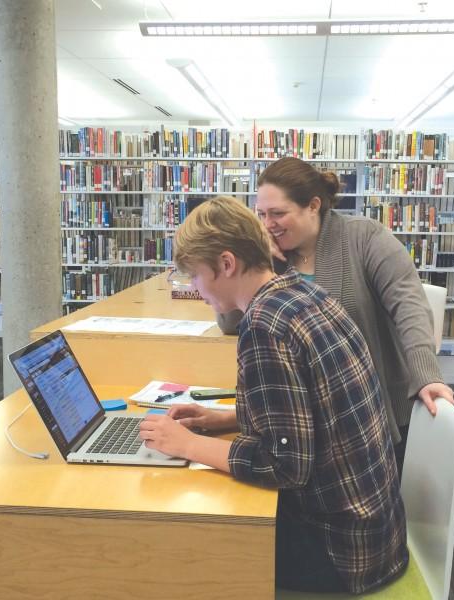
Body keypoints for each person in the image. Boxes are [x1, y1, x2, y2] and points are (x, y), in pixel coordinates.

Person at [139, 196, 408, 594]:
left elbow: (282, 466)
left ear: (227, 264)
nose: (195, 289)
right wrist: (227, 419)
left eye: (195, 276)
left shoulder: (264, 327)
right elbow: (315, 406)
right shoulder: (303, 293)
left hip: (340, 553)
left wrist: (189, 445)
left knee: (183, 551)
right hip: (376, 533)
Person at [217, 157, 454, 465]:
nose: (266, 224)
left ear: (313, 206)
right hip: (305, 412)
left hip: (371, 409)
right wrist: (257, 264)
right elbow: (231, 323)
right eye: (261, 214)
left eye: (278, 213)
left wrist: (426, 376)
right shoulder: (273, 256)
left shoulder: (364, 236)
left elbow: (409, 304)